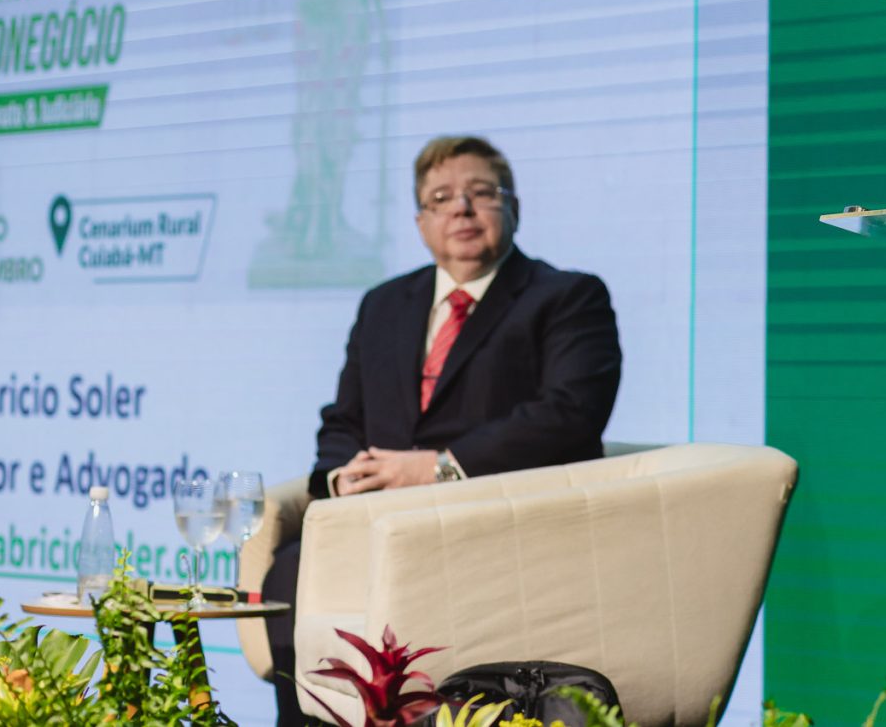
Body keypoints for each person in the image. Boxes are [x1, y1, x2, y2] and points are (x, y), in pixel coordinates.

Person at [262, 134, 623, 725]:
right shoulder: (384, 305)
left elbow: (568, 415)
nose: (461, 208)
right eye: (441, 198)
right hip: (374, 523)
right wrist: (340, 478)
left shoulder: (566, 297)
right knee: (292, 566)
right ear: (421, 223)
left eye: (481, 192)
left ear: (513, 207)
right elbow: (343, 419)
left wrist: (439, 468)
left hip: (491, 527)